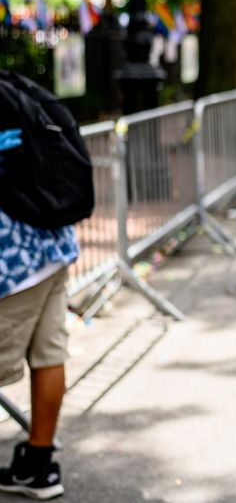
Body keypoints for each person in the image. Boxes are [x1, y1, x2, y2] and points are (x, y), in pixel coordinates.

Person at [0, 126, 79, 500]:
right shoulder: (14, 94)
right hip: (51, 244)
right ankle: (38, 466)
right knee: (49, 354)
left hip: (11, 264)